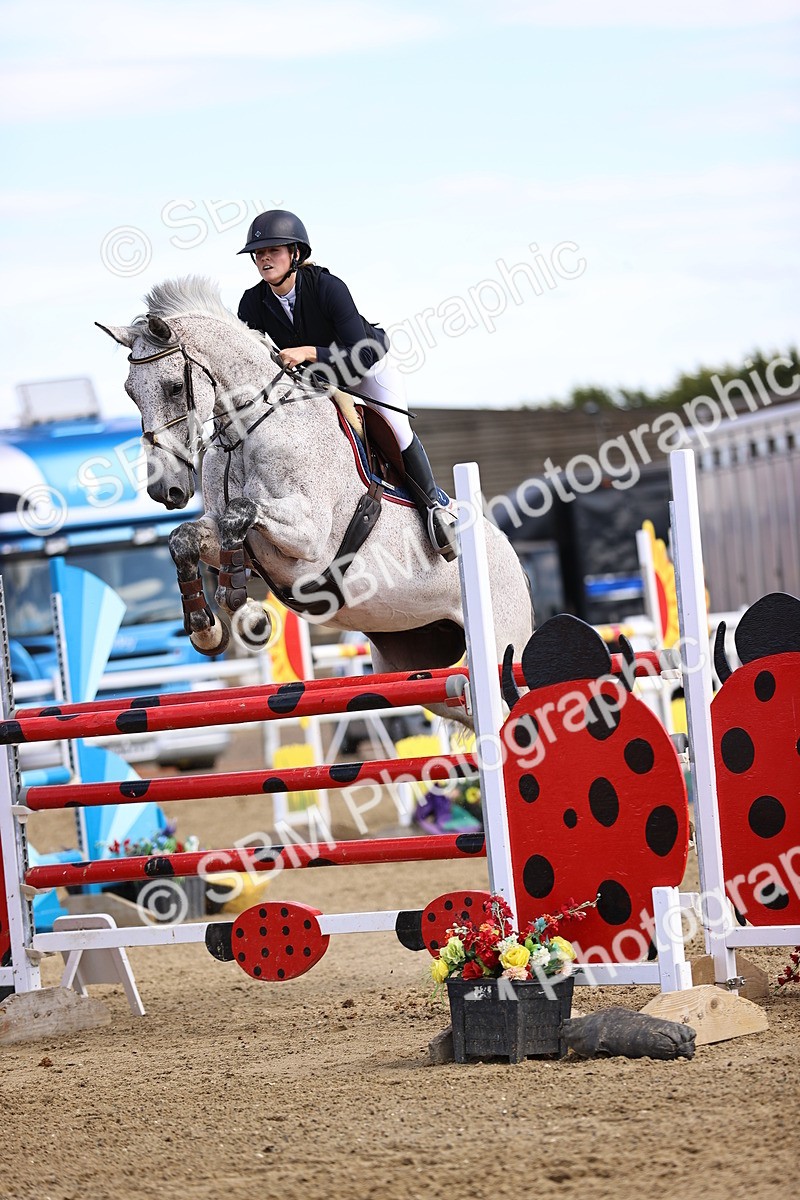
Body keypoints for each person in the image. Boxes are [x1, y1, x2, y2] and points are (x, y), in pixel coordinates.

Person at [236, 209, 457, 560]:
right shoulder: (251, 303)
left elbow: (362, 355)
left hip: (366, 368)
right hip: (316, 381)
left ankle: (435, 508)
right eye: (259, 253)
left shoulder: (327, 287)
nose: (264, 258)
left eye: (273, 250)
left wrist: (307, 351)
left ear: (295, 254)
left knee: (396, 430)